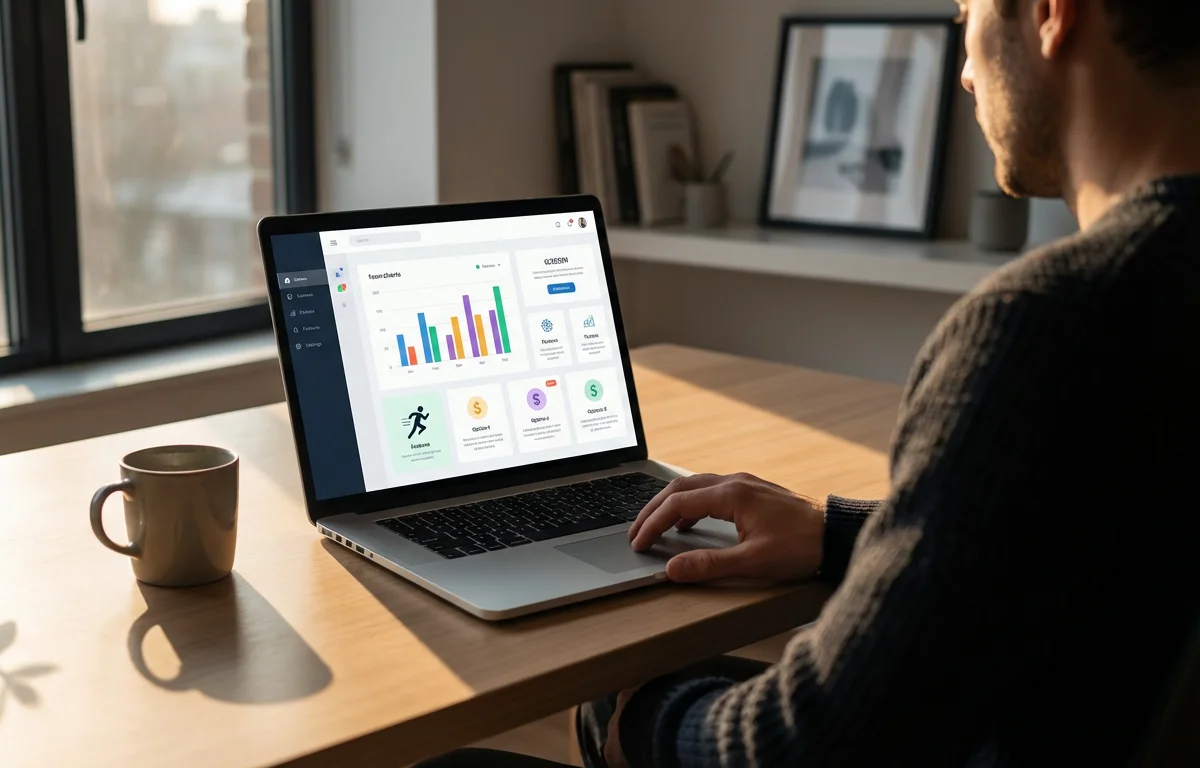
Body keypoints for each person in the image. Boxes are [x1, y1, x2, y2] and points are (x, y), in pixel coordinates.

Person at [419, 0, 1200, 765]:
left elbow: (820, 742)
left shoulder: (1048, 329)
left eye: (967, 14)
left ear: (1052, 13)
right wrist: (840, 533)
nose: (964, 72)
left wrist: (648, 719)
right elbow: (1088, 537)